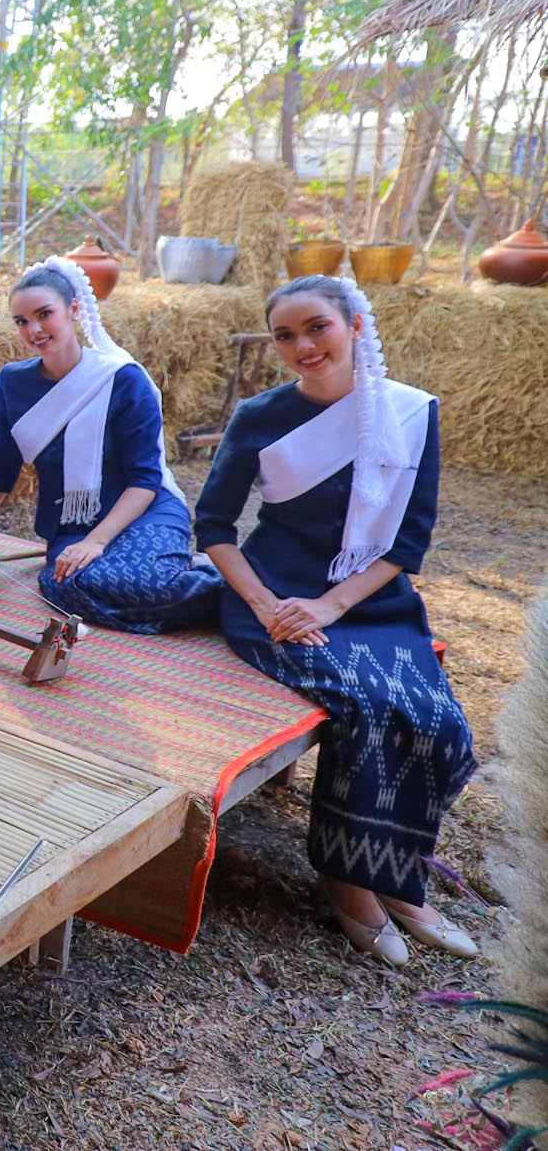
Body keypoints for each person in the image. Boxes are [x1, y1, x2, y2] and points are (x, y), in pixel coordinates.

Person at [194, 275, 477, 963]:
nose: (301, 346)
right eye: (285, 336)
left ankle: (399, 881)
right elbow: (214, 525)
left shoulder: (411, 412)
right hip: (274, 596)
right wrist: (265, 605)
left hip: (368, 603)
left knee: (437, 718)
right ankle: (347, 880)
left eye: (315, 326)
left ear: (355, 326)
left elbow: (408, 543)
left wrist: (333, 602)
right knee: (368, 706)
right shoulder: (260, 415)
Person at [0, 256, 220, 633]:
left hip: (143, 512)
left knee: (141, 584)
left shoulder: (124, 379)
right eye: (22, 321)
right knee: (67, 583)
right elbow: (1, 468)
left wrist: (96, 542)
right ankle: (182, 592)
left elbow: (145, 480)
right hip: (72, 524)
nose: (34, 329)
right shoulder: (13, 382)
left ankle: (221, 585)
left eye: (45, 314)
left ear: (74, 309)